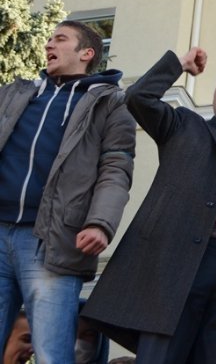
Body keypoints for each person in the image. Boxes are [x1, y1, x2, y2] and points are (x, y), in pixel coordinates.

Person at [82, 48, 216, 363]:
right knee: (162, 354)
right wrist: (179, 64)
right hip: (178, 263)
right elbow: (138, 97)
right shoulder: (183, 126)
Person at [0, 21, 136, 362]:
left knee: (52, 354)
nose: (49, 44)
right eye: (49, 39)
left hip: (51, 241)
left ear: (86, 53)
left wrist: (100, 223)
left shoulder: (110, 103)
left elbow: (116, 168)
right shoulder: (15, 94)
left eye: (60, 39)